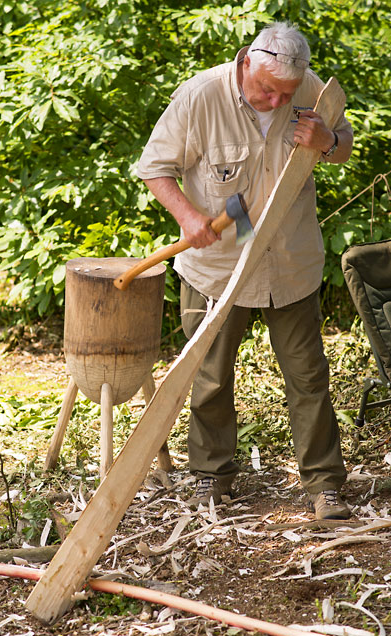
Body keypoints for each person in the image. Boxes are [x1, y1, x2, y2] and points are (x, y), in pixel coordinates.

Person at [137, 22, 353, 520]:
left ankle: (324, 486)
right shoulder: (200, 97)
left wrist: (326, 139)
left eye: (287, 94)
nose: (278, 102)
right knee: (209, 378)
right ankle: (212, 479)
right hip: (217, 266)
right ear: (246, 63)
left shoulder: (309, 88)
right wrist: (189, 218)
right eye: (267, 90)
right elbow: (154, 165)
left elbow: (342, 146)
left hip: (290, 261)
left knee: (308, 377)